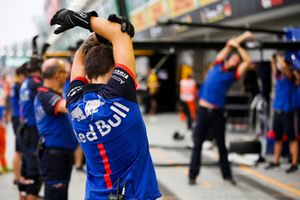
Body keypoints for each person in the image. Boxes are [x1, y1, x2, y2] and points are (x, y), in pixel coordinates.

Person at [50, 9, 161, 199]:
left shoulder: (73, 101)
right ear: (113, 70)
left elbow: (80, 57)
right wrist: (99, 29)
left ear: (87, 75)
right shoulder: (120, 93)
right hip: (134, 193)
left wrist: (97, 30)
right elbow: (118, 34)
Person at [189, 31, 254, 185]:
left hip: (217, 113)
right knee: (197, 144)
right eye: (234, 57)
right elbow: (229, 44)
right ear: (229, 58)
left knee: (221, 145)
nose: (235, 59)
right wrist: (243, 37)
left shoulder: (234, 74)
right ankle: (192, 175)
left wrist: (239, 48)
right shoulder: (217, 64)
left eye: (237, 59)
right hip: (203, 111)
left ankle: (227, 175)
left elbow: (248, 61)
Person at [34, 58, 77, 200]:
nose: (67, 76)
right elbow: (66, 106)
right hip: (54, 157)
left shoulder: (53, 93)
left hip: (60, 155)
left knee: (59, 194)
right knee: (55, 195)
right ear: (57, 75)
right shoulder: (45, 95)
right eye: (65, 73)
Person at [265, 54, 298, 173]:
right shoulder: (279, 77)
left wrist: (280, 58)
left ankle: (294, 163)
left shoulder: (291, 77)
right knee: (277, 138)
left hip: (287, 112)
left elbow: (285, 68)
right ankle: (276, 161)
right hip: (277, 111)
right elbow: (275, 67)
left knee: (291, 138)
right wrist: (273, 60)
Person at [19, 59, 43, 200]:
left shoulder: (25, 83)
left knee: (27, 166)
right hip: (33, 129)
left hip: (26, 127)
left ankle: (26, 194)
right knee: (34, 170)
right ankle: (31, 194)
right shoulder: (35, 83)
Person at [11, 64, 27, 184]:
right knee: (19, 150)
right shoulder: (19, 87)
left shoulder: (17, 86)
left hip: (16, 118)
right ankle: (17, 177)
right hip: (18, 120)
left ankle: (18, 176)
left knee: (20, 150)